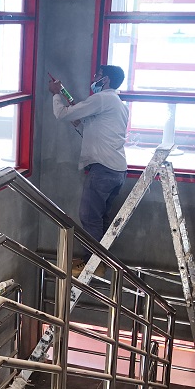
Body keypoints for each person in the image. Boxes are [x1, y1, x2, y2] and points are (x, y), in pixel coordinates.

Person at [49, 64, 129, 268]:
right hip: (117, 170)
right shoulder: (118, 103)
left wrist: (56, 94)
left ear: (106, 79)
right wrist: (76, 117)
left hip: (103, 169)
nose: (94, 78)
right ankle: (98, 260)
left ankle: (93, 264)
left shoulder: (102, 98)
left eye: (98, 75)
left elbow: (62, 114)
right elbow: (91, 127)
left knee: (89, 216)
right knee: (100, 218)